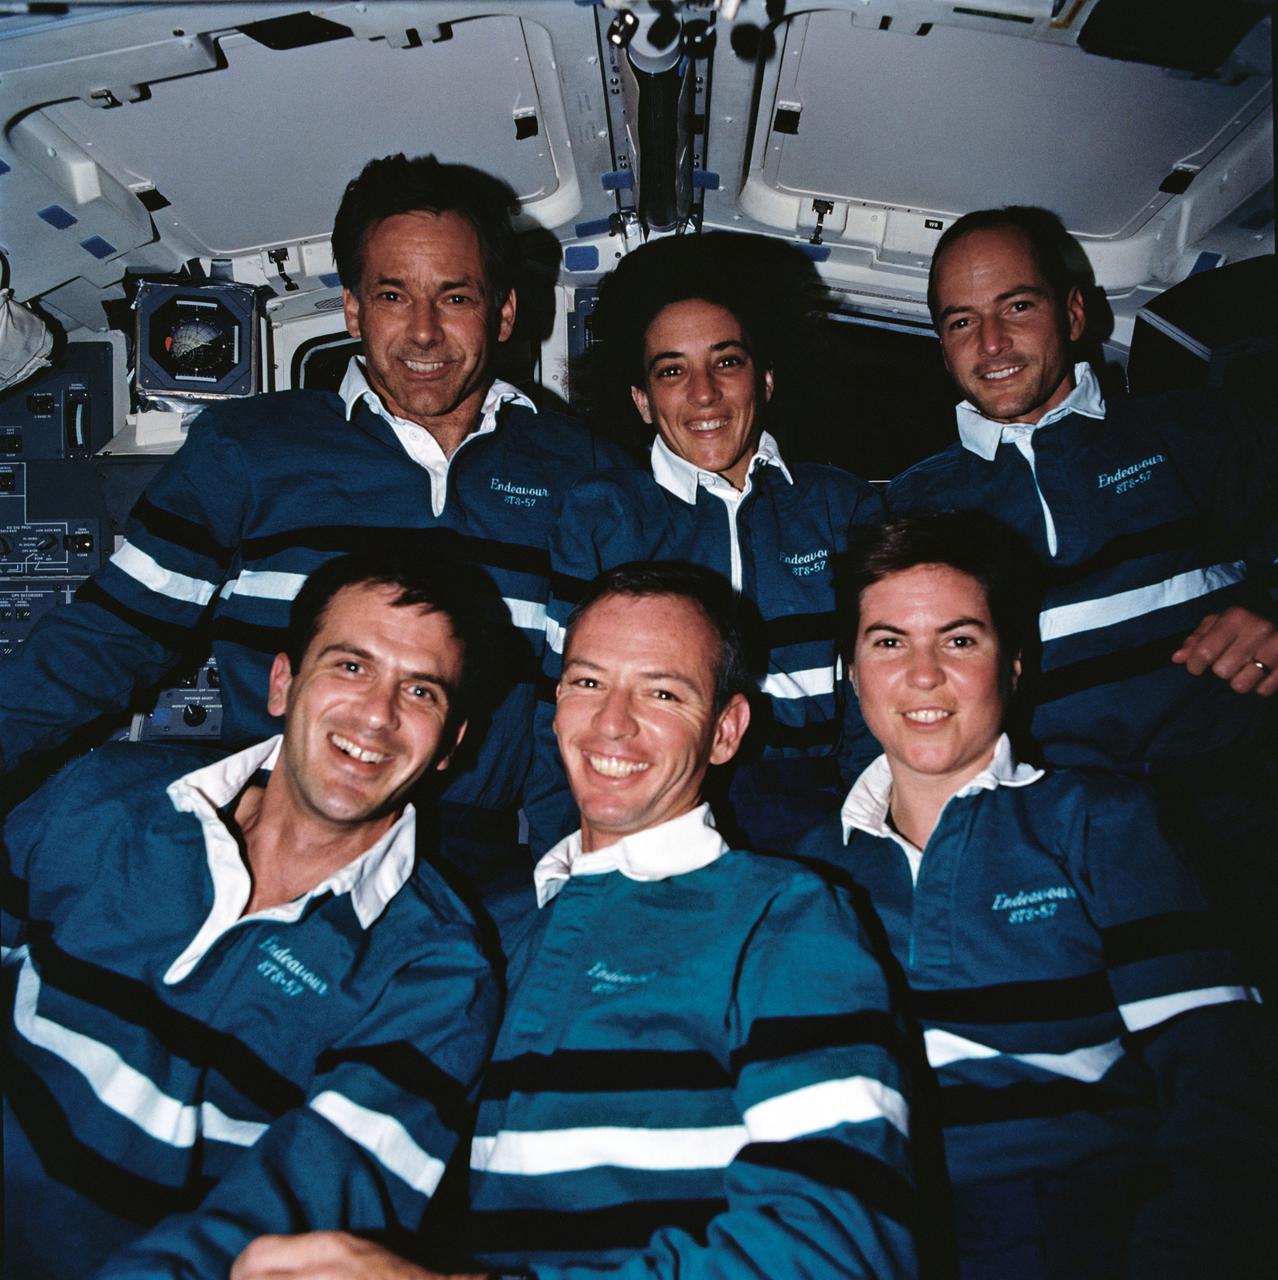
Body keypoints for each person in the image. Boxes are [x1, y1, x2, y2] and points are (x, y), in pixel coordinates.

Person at [231, 562, 917, 1280]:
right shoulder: (472, 939)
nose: (612, 724)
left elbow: (844, 1243)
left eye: (661, 692)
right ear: (554, 706)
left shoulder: (785, 918)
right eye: (587, 683)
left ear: (724, 730)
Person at [0, 153, 631, 911]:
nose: (424, 333)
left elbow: (584, 705)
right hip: (269, 843)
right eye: (393, 295)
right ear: (354, 310)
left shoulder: (582, 473)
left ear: (502, 312)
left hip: (469, 867)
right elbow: (105, 644)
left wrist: (588, 892)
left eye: (454, 297)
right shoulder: (249, 450)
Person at [792, 512, 1275, 1278]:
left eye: (959, 640)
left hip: (1070, 1227)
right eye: (889, 642)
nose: (923, 675)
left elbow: (1218, 1090)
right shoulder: (804, 876)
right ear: (851, 673)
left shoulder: (1102, 823)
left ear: (1013, 666)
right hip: (868, 1234)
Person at [3, 551, 503, 1280]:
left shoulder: (439, 975)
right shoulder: (100, 799)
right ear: (283, 683)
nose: (377, 715)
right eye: (351, 666)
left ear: (450, 747)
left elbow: (287, 1224)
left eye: (421, 691)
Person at [887, 205, 1278, 988]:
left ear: (1073, 312)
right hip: (1053, 845)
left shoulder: (1194, 432)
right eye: (962, 322)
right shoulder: (913, 509)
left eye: (1017, 307)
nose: (991, 344)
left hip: (1243, 810)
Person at [526, 234, 884, 856]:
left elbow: (873, 705)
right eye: (671, 371)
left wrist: (866, 837)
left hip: (814, 817)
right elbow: (558, 711)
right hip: (648, 805)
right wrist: (574, 862)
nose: (702, 393)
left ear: (766, 379)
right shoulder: (603, 515)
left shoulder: (839, 508)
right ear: (641, 400)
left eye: (726, 361)